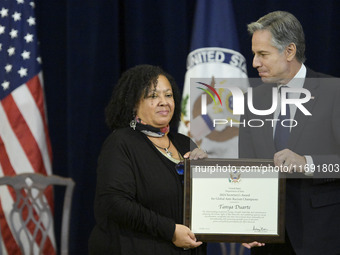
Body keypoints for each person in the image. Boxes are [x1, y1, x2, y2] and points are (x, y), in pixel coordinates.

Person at [239, 11, 340, 255]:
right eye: (254, 54)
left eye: (263, 54)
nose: (254, 63)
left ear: (290, 51)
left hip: (321, 238)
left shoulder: (334, 92)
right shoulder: (251, 99)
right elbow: (247, 167)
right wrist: (244, 222)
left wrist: (307, 163)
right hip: (267, 239)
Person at [88, 64, 207, 255]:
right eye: (153, 96)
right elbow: (115, 203)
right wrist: (171, 231)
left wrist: (206, 171)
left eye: (168, 95)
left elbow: (207, 204)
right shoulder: (121, 142)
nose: (163, 101)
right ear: (134, 103)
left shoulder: (185, 143)